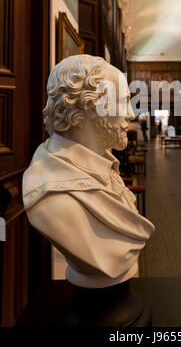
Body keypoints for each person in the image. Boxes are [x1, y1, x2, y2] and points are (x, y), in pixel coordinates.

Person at [23, 54, 155, 288]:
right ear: (90, 106)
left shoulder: (104, 165)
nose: (131, 114)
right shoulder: (49, 193)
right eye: (122, 101)